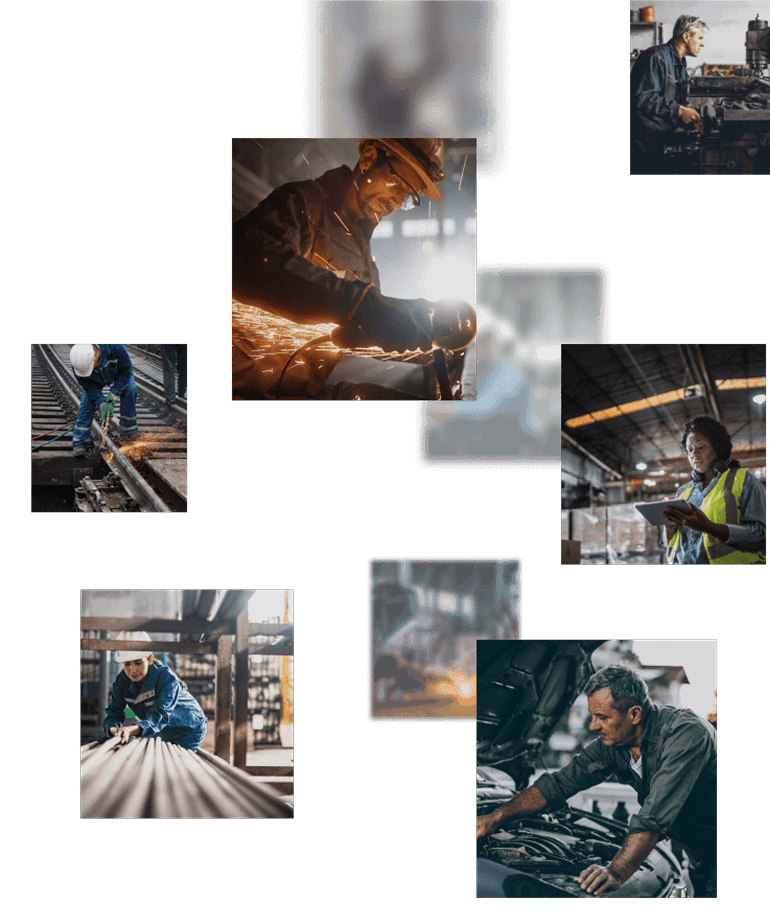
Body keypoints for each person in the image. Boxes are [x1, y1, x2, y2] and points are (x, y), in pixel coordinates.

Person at [476, 666, 717, 898]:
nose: (593, 726)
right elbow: (558, 784)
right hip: (698, 847)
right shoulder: (614, 744)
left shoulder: (686, 735)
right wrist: (496, 817)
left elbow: (654, 816)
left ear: (634, 714)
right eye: (593, 715)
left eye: (602, 717)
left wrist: (615, 871)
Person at [232, 138, 461, 360]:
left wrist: (419, 339)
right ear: (369, 159)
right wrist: (357, 302)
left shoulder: (365, 259)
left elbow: (363, 338)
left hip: (302, 395)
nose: (397, 202)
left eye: (408, 197)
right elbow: (245, 256)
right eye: (399, 184)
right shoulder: (304, 204)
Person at [663, 416, 766, 564]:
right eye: (690, 450)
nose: (694, 454)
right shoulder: (683, 492)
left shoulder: (743, 480)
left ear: (717, 447)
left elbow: (761, 534)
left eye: (701, 447)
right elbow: (674, 543)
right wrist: (669, 529)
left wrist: (709, 527)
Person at [103, 631, 207, 752]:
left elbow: (160, 715)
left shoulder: (167, 679)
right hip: (162, 729)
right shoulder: (122, 682)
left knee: (176, 764)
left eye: (138, 662)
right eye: (127, 664)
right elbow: (114, 711)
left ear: (150, 660)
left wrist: (131, 729)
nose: (132, 670)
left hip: (189, 729)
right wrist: (112, 728)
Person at [630, 15, 706, 175]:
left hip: (658, 139)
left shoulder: (679, 64)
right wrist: (680, 111)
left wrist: (689, 116)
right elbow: (642, 98)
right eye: (699, 37)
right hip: (640, 143)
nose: (702, 43)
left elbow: (671, 102)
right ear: (686, 36)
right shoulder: (656, 57)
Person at [70, 344, 139, 456]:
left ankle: (129, 433)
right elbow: (87, 385)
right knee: (87, 400)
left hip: (118, 372)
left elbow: (126, 371)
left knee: (130, 389)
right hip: (94, 379)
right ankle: (80, 440)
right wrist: (101, 402)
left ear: (95, 355)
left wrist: (113, 396)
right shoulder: (78, 360)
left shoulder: (116, 347)